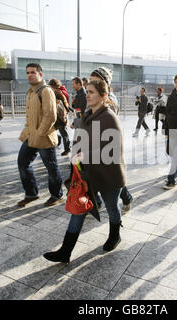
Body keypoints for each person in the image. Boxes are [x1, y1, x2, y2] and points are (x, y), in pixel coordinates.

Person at [43, 78, 126, 263]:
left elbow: (111, 149)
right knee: (79, 209)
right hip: (89, 173)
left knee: (112, 207)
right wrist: (75, 159)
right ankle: (65, 251)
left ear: (103, 96)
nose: (87, 95)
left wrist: (83, 156)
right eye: (86, 91)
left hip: (109, 174)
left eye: (91, 92)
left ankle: (115, 235)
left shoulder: (108, 117)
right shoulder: (89, 114)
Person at [17, 63, 64, 207]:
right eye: (27, 72)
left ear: (40, 74)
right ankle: (31, 193)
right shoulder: (31, 92)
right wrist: (26, 133)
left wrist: (40, 133)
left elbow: (50, 115)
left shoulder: (45, 91)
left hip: (45, 137)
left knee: (51, 167)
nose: (29, 75)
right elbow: (29, 117)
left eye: (33, 72)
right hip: (31, 136)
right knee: (22, 163)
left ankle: (57, 195)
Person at [89, 67, 133, 212]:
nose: (91, 83)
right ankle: (99, 201)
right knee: (108, 177)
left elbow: (106, 124)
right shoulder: (93, 95)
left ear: (105, 83)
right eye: (91, 80)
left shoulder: (110, 100)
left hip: (106, 145)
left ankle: (124, 198)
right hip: (95, 142)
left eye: (96, 80)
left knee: (113, 178)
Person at [48, 78, 71, 156]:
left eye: (50, 86)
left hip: (61, 117)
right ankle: (59, 140)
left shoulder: (57, 93)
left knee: (64, 133)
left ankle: (67, 149)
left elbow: (60, 105)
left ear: (53, 86)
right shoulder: (60, 92)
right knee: (56, 131)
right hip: (61, 116)